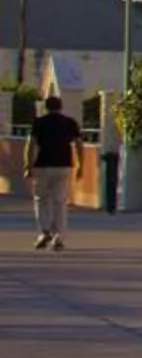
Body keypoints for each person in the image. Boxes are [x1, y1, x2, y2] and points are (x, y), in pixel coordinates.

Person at [27, 95, 81, 251]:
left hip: (42, 165)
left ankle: (44, 232)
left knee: (41, 199)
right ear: (61, 107)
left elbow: (31, 145)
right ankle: (58, 236)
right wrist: (81, 166)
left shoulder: (39, 123)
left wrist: (27, 165)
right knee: (60, 202)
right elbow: (78, 144)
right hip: (64, 166)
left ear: (46, 107)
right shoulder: (70, 123)